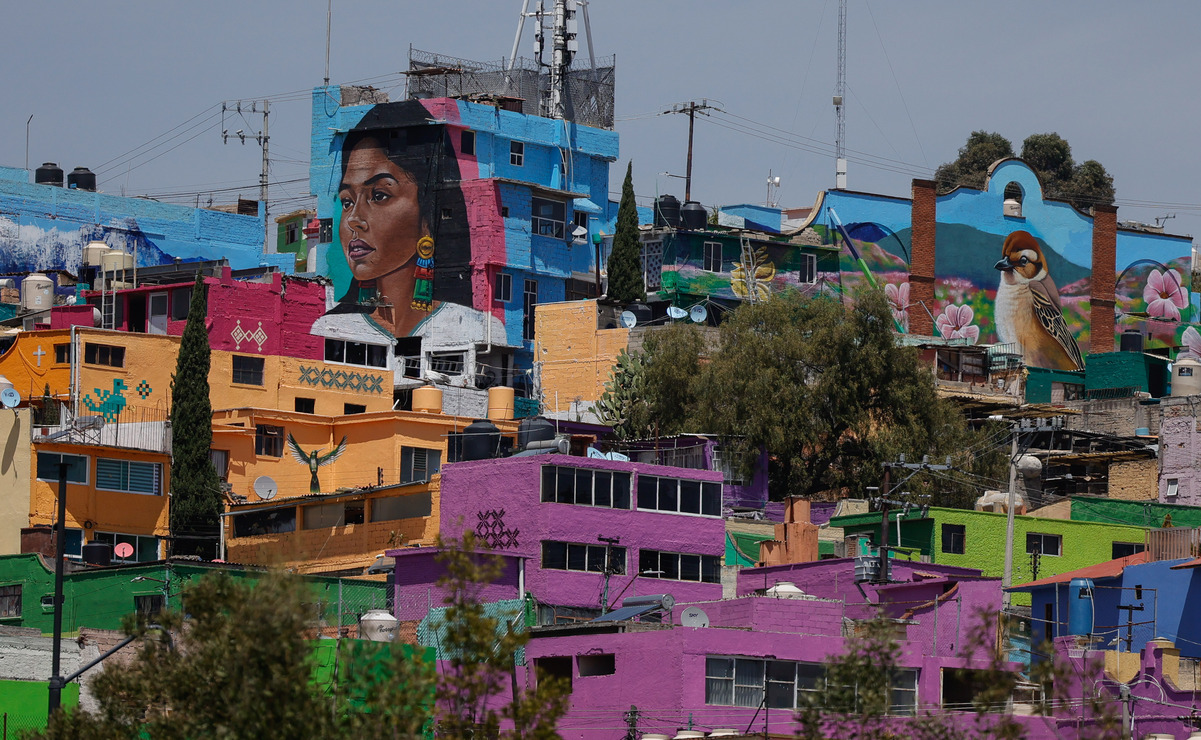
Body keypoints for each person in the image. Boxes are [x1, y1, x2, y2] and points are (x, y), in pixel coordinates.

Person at [326, 102, 470, 337]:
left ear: (427, 218)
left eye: (379, 195)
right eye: (347, 202)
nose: (354, 220)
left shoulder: (467, 328)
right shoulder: (332, 331)